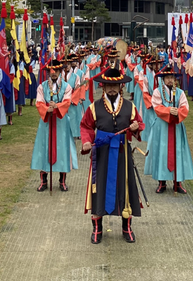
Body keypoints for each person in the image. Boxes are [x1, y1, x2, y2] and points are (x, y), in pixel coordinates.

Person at [80, 68, 145, 245]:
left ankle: (126, 227)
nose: (111, 89)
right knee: (99, 187)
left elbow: (139, 123)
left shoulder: (130, 107)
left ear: (120, 86)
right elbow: (86, 126)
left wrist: (135, 127)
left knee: (125, 187)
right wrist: (86, 141)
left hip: (123, 153)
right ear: (103, 86)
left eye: (115, 85)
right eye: (108, 85)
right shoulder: (94, 107)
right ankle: (97, 228)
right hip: (101, 153)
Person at [145, 66, 193, 194]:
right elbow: (156, 106)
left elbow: (185, 107)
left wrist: (178, 112)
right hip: (161, 127)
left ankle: (178, 182)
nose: (170, 80)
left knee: (178, 151)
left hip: (176, 126)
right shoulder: (157, 92)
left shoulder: (180, 92)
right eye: (167, 78)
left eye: (172, 78)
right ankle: (161, 182)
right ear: (163, 79)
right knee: (161, 152)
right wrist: (168, 110)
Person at [31, 59, 78, 192]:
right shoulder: (42, 87)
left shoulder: (66, 87)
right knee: (44, 148)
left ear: (60, 71)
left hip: (61, 122)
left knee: (62, 149)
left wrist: (57, 106)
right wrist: (47, 109)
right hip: (46, 122)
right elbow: (39, 102)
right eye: (51, 71)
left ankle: (62, 181)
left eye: (56, 71)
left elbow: (67, 101)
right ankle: (43, 180)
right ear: (48, 72)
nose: (54, 73)